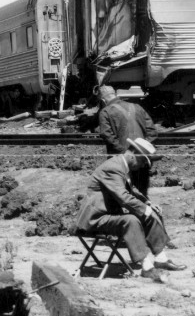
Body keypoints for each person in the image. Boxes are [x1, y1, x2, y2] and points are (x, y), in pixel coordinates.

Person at [75, 138, 185, 283]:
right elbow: (123, 197)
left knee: (149, 213)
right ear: (134, 155)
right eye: (142, 162)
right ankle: (147, 268)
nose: (141, 166)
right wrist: (145, 209)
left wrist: (147, 204)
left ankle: (160, 259)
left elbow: (131, 190)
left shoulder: (121, 166)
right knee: (131, 220)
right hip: (96, 218)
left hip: (109, 215)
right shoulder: (113, 167)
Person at [96, 85, 159, 196]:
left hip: (122, 161)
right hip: (142, 160)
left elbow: (107, 135)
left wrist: (123, 152)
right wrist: (143, 149)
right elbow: (152, 132)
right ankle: (145, 211)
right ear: (115, 94)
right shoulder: (137, 107)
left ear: (102, 100)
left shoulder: (105, 112)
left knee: (124, 195)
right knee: (142, 194)